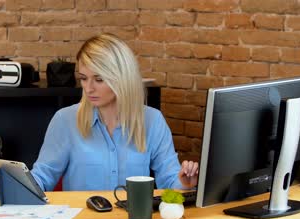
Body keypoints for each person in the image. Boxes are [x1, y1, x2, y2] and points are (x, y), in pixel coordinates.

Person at [31, 33, 198, 192]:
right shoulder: (65, 120)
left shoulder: (152, 120)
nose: (88, 88)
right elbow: (41, 178)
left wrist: (185, 183)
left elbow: (170, 182)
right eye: (83, 78)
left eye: (99, 79)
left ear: (122, 78)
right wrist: (12, 183)